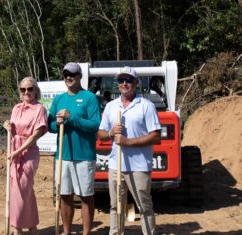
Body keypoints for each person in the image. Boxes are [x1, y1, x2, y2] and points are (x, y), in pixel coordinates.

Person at [97, 66, 161, 235]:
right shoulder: (111, 106)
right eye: (120, 80)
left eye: (128, 80)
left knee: (144, 206)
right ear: (117, 84)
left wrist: (127, 142)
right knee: (115, 206)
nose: (124, 83)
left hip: (139, 166)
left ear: (136, 83)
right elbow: (101, 134)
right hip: (115, 165)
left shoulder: (146, 106)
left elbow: (156, 137)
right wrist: (111, 133)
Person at [48, 62, 101, 235]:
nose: (68, 78)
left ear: (79, 76)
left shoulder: (89, 98)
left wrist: (71, 119)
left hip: (84, 156)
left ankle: (86, 232)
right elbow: (51, 126)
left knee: (86, 196)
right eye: (65, 75)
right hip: (63, 156)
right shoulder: (58, 99)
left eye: (72, 74)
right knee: (64, 195)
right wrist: (57, 123)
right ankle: (67, 231)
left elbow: (95, 125)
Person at [3, 77, 47, 235]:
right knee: (19, 189)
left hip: (28, 152)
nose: (26, 92)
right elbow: (13, 130)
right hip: (14, 149)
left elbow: (35, 136)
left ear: (35, 90)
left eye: (30, 89)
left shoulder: (39, 109)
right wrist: (8, 126)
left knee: (22, 188)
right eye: (23, 89)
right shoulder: (16, 108)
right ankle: (32, 227)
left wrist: (17, 151)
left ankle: (17, 228)